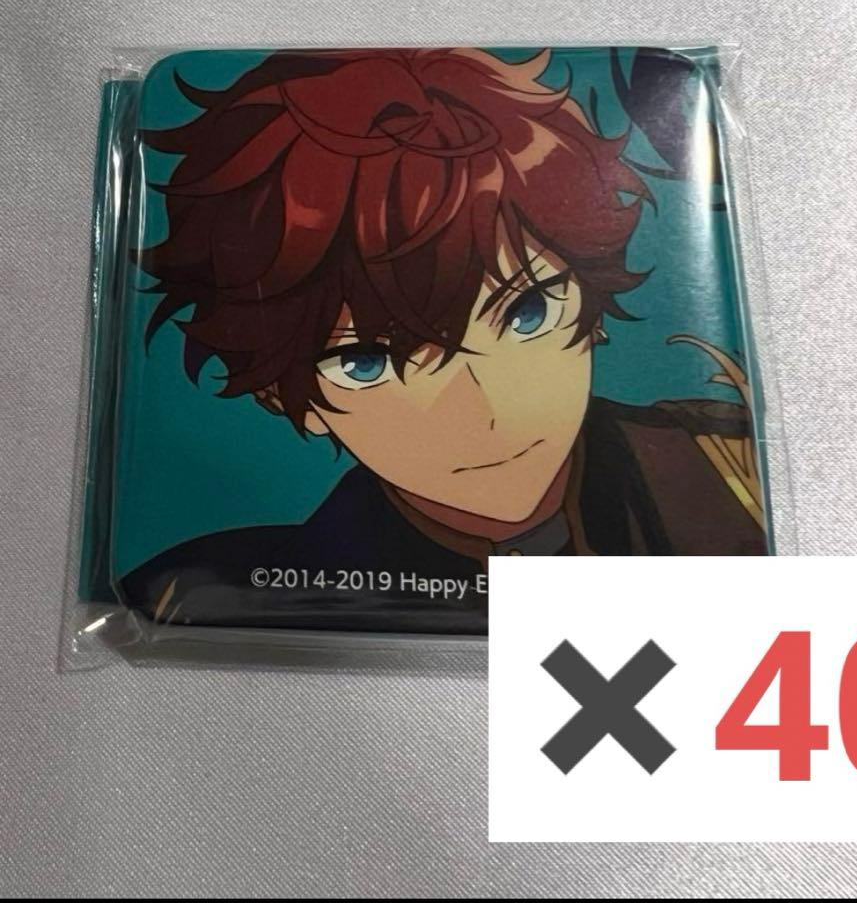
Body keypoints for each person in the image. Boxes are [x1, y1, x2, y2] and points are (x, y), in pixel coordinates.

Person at [120, 48, 766, 633]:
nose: (485, 412)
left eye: (527, 312)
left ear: (591, 301)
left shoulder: (728, 479)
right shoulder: (215, 590)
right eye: (367, 361)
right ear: (281, 394)